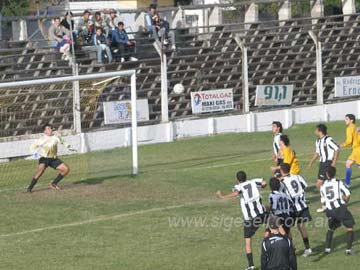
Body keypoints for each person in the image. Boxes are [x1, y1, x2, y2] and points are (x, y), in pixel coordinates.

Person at [216, 171, 267, 270]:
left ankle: (251, 265)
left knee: (248, 241)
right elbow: (264, 183)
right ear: (246, 177)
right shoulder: (253, 181)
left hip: (251, 219)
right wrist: (262, 187)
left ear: (237, 179)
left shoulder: (239, 186)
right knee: (276, 226)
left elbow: (236, 192)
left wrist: (223, 196)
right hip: (261, 214)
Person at [27, 123, 76, 192]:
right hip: (44, 158)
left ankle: (53, 183)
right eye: (48, 129)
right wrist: (35, 154)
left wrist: (69, 147)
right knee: (40, 172)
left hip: (53, 159)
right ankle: (30, 188)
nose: (50, 130)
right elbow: (32, 147)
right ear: (45, 131)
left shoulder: (56, 137)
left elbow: (63, 142)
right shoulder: (41, 139)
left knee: (66, 169)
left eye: (50, 128)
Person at [320, 166, 355, 255]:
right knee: (349, 227)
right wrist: (346, 201)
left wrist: (324, 207)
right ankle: (348, 250)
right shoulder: (339, 183)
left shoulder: (323, 185)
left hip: (330, 211)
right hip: (340, 209)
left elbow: (323, 201)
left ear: (327, 175)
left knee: (331, 228)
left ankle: (327, 249)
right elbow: (347, 193)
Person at [280, 163, 312, 257]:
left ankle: (291, 249)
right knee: (301, 227)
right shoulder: (297, 176)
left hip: (292, 209)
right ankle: (308, 248)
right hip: (302, 205)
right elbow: (305, 186)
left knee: (287, 229)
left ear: (282, 171)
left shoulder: (282, 182)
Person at [307, 124, 339, 212]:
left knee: (319, 184)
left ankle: (325, 204)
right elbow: (317, 153)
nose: (315, 132)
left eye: (316, 130)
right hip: (322, 164)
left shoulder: (328, 139)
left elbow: (336, 149)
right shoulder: (318, 141)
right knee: (325, 183)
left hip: (327, 163)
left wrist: (334, 162)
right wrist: (311, 162)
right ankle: (331, 202)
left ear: (319, 131)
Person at [340, 114, 360, 187]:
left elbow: (349, 141)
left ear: (351, 120)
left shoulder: (349, 128)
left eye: (347, 119)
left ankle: (347, 183)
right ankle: (347, 183)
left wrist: (341, 145)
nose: (345, 120)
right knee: (348, 163)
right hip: (356, 149)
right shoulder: (355, 127)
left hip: (357, 150)